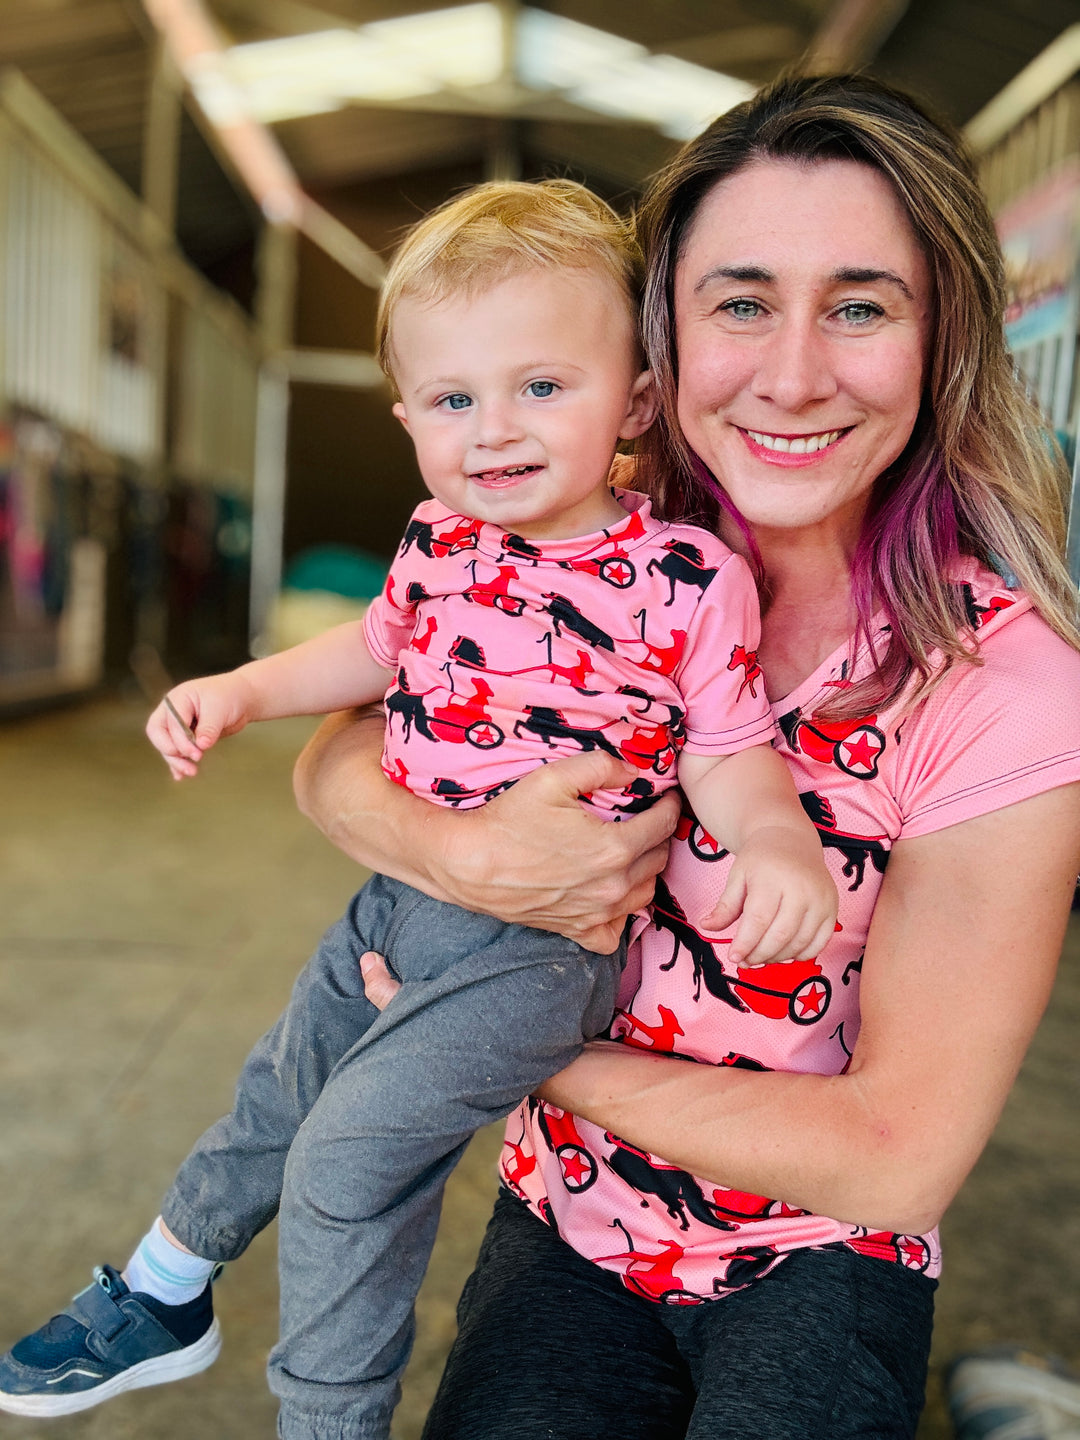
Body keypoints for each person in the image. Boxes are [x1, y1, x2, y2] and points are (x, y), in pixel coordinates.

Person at [293, 73, 1080, 1440]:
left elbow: (896, 1158)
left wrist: (498, 1049)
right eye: (740, 301)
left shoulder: (1008, 690)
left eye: (859, 304)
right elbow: (335, 757)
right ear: (660, 342)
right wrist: (464, 851)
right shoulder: (580, 522)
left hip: (817, 1259)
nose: (791, 373)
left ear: (941, 334)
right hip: (565, 1226)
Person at [0, 180, 835, 1437]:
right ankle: (162, 1292)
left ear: (640, 400)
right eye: (453, 400)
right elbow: (371, 654)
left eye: (542, 387)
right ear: (408, 417)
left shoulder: (683, 575)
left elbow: (729, 745)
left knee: (349, 1164)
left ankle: (327, 1422)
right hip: (396, 905)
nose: (493, 430)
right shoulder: (440, 540)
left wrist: (777, 839)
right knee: (273, 1099)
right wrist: (239, 689)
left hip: (540, 954)